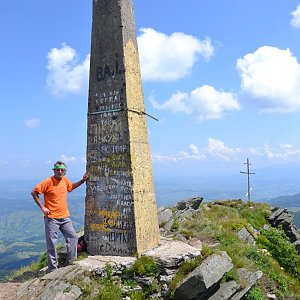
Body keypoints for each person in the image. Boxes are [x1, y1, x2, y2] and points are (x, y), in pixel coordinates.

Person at [31, 161, 88, 272]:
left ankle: (70, 263)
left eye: (62, 170)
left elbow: (71, 187)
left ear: (64, 171)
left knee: (73, 237)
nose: (60, 171)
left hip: (65, 217)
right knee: (52, 243)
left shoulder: (64, 180)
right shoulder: (48, 181)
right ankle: (52, 269)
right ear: (54, 170)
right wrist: (42, 207)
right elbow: (34, 192)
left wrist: (82, 181)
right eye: (58, 169)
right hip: (51, 218)